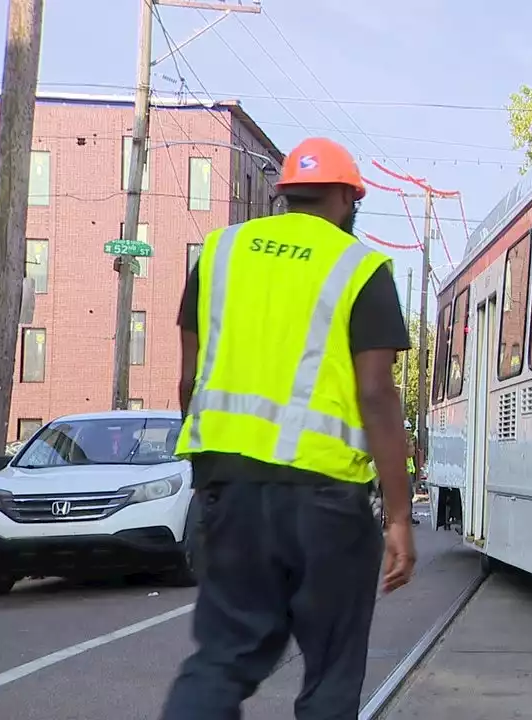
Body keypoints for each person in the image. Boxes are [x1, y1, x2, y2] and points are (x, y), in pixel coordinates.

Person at [160, 137, 418, 720]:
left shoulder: (221, 253)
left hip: (231, 491)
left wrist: (212, 477)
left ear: (283, 194)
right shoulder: (360, 266)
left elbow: (187, 381)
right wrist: (400, 518)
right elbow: (376, 393)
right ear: (350, 200)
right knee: (330, 669)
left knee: (222, 658)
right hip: (327, 503)